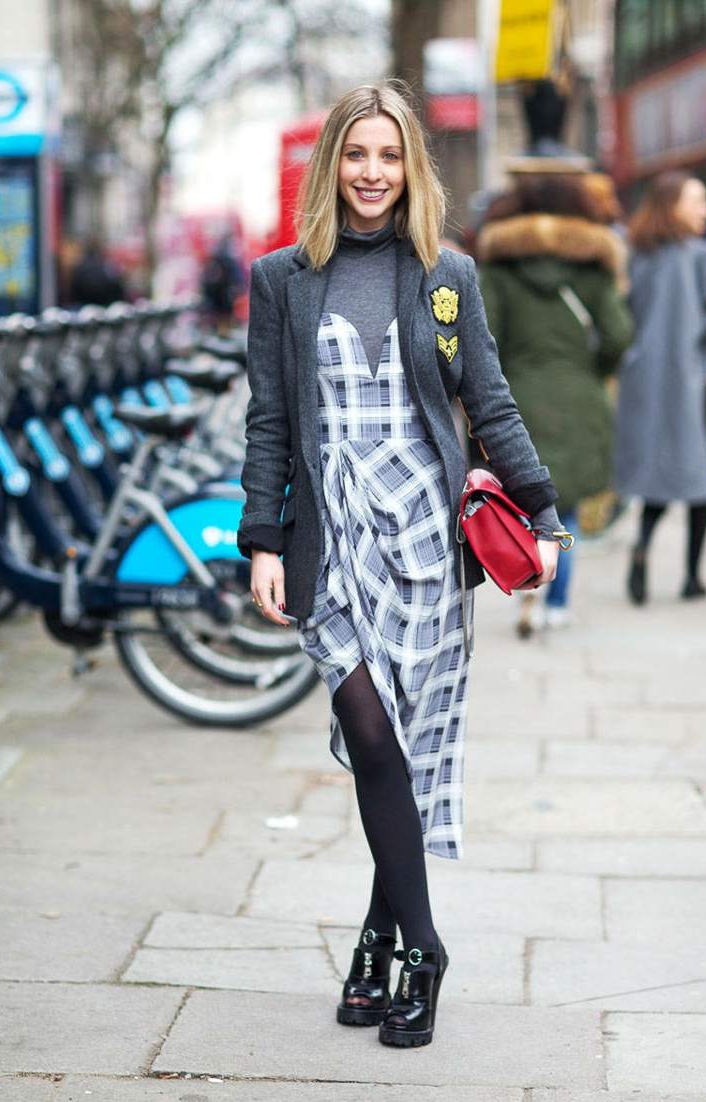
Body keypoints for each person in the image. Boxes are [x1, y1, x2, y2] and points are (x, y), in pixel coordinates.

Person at [237, 83, 566, 1049]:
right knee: (372, 737)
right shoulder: (282, 278)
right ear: (330, 165)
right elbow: (269, 422)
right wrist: (261, 536)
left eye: (388, 156)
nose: (371, 173)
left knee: (404, 759)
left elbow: (490, 404)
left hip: (422, 540)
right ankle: (424, 946)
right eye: (355, 155)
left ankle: (375, 944)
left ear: (410, 167)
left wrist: (542, 514)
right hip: (331, 541)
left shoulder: (446, 272)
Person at [476, 172, 633, 634]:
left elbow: (485, 338)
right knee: (564, 507)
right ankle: (558, 601)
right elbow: (620, 333)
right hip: (580, 395)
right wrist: (596, 368)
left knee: (526, 500)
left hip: (517, 398)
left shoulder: (499, 270)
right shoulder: (593, 266)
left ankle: (527, 583)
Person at [615, 172, 706, 604]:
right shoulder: (703, 256)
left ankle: (641, 551)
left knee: (659, 476)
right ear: (674, 206)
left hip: (648, 382)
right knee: (698, 480)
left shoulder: (640, 256)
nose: (705, 210)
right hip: (694, 381)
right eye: (698, 201)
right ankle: (691, 577)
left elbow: (625, 314)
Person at [68, 238, 127, 307]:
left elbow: (74, 288)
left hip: (84, 305)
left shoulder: (79, 266)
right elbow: (115, 286)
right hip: (103, 305)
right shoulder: (103, 266)